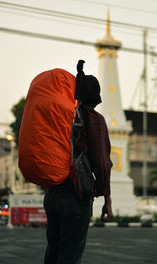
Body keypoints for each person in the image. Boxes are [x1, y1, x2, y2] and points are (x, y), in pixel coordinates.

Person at [43, 61, 113, 264]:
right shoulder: (94, 119)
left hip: (53, 192)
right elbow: (101, 161)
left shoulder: (62, 116)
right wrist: (106, 200)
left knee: (53, 251)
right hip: (76, 194)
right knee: (70, 255)